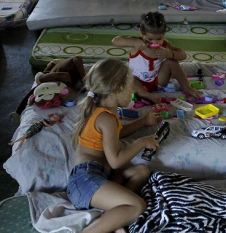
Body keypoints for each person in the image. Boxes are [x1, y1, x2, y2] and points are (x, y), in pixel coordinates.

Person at [67, 59, 163, 233]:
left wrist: (142, 123)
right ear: (117, 88)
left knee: (141, 171)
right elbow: (116, 162)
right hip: (85, 181)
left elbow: (113, 137)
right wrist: (141, 142)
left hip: (98, 176)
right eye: (129, 87)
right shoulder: (106, 118)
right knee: (137, 206)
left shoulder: (104, 112)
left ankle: (114, 215)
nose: (132, 92)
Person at [112, 12, 200, 103]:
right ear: (142, 33)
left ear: (163, 34)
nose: (155, 43)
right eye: (149, 39)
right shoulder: (136, 43)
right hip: (137, 81)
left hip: (157, 81)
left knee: (172, 62)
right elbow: (115, 41)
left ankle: (186, 87)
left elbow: (183, 55)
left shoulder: (165, 45)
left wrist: (170, 54)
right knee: (127, 78)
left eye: (159, 39)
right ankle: (146, 95)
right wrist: (133, 42)